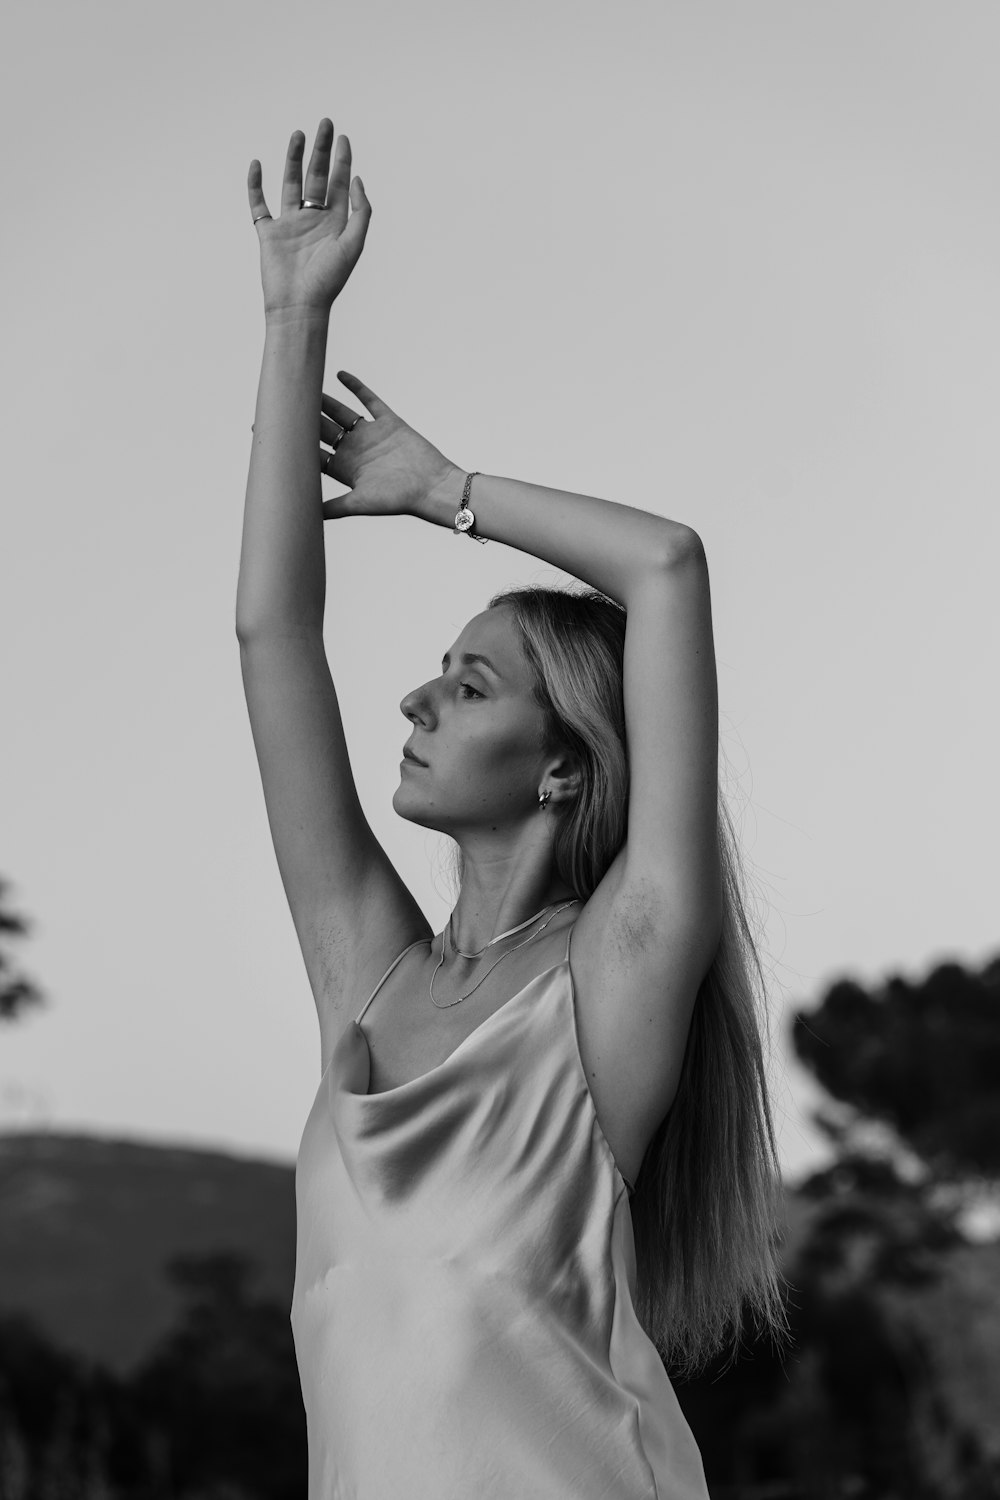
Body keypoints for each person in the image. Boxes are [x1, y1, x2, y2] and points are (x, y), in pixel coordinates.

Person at [237, 118, 785, 1500]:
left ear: (564, 765)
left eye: (471, 684)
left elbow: (666, 567)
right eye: (436, 676)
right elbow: (271, 639)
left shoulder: (614, 981)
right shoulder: (368, 971)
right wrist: (293, 314)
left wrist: (447, 494)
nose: (418, 703)